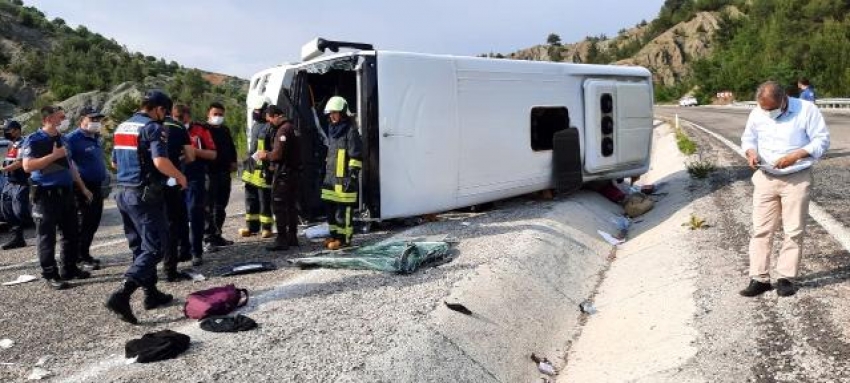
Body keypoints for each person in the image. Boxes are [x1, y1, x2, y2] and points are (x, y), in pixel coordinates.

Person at [739, 81, 830, 298]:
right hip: (765, 177)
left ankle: (786, 278)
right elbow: (748, 138)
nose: (767, 113)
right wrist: (750, 153)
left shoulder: (806, 110)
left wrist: (795, 156)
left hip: (796, 178)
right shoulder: (757, 113)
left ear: (784, 99)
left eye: (771, 108)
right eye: (764, 108)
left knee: (793, 230)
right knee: (761, 229)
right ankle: (759, 278)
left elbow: (822, 141)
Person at [105, 90, 187, 324]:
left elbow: (113, 161)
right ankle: (123, 293)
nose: (165, 116)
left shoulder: (123, 127)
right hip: (143, 195)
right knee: (156, 247)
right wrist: (179, 176)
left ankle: (151, 294)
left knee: (139, 247)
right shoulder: (152, 127)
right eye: (165, 112)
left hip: (122, 192)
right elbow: (160, 161)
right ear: (159, 109)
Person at [22, 106, 93, 290]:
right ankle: (50, 274)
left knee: (71, 233)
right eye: (59, 116)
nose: (63, 119)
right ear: (48, 119)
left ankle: (68, 268)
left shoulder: (62, 139)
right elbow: (27, 166)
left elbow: (70, 165)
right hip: (46, 195)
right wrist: (53, 156)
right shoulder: (34, 139)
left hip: (66, 192)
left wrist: (82, 188)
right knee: (47, 237)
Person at [66, 107, 108, 270]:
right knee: (83, 222)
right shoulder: (72, 139)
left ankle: (84, 253)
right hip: (82, 187)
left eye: (98, 120)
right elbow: (69, 165)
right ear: (82, 119)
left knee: (93, 222)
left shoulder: (95, 137)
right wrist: (83, 189)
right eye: (92, 119)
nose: (96, 123)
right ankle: (78, 257)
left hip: (97, 186)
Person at [321, 96, 362, 250]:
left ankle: (344, 239)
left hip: (344, 180)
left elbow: (356, 157)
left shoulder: (351, 132)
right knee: (331, 211)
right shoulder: (332, 131)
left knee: (343, 212)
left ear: (343, 113)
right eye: (330, 113)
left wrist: (351, 177)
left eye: (335, 113)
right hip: (331, 180)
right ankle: (334, 236)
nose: (332, 116)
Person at [178, 106, 217, 266]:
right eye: (176, 117)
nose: (180, 120)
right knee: (177, 215)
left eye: (182, 117)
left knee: (195, 212)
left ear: (188, 116)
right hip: (174, 176)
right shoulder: (168, 130)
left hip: (195, 177)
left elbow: (213, 154)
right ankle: (182, 249)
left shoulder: (200, 130)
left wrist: (193, 151)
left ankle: (196, 251)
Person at [162, 106, 195, 281]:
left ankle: (144, 267)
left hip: (147, 182)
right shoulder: (178, 127)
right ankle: (171, 268)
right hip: (172, 179)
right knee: (174, 222)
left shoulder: (144, 126)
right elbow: (190, 157)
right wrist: (177, 161)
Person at [264, 105, 301, 251]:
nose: (269, 123)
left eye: (270, 119)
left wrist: (266, 155)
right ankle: (292, 237)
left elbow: (278, 155)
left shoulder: (283, 130)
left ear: (276, 116)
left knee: (279, 206)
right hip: (294, 174)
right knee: (292, 206)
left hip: (284, 176)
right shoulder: (293, 127)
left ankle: (281, 239)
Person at [239, 99, 275, 239]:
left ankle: (266, 228)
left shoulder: (270, 127)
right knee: (250, 199)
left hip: (263, 170)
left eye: (259, 111)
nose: (256, 113)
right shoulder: (254, 126)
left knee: (264, 200)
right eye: (255, 111)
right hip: (250, 169)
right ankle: (251, 227)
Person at [204, 102, 237, 250]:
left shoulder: (224, 130)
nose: (218, 117)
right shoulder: (203, 130)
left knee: (220, 207)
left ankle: (217, 235)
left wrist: (234, 162)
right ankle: (208, 238)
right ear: (208, 115)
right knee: (208, 207)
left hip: (224, 173)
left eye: (220, 115)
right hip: (209, 173)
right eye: (215, 114)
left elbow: (231, 147)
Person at [1, 120, 31, 250]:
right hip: (9, 182)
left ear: (16, 130)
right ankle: (17, 238)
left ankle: (45, 229)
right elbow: (6, 161)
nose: (6, 132)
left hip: (20, 181)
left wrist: (3, 170)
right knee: (7, 210)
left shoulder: (24, 143)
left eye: (8, 130)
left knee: (20, 211)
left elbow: (20, 162)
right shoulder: (11, 145)